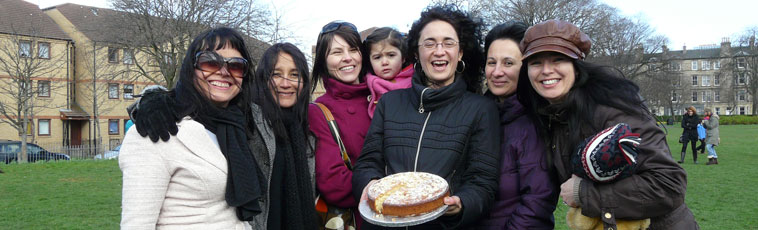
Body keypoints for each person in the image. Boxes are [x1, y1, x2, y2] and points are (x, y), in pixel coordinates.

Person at [516, 20, 698, 229]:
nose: (546, 70)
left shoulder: (611, 107)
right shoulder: (555, 115)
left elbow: (668, 185)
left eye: (558, 59)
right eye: (536, 62)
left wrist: (583, 194)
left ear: (576, 66)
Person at [123, 40, 318, 228]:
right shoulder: (246, 116)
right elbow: (194, 100)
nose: (286, 83)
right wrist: (153, 98)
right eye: (276, 74)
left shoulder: (308, 129)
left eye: (294, 74)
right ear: (262, 78)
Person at [352, 4, 500, 229]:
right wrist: (370, 185)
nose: (439, 51)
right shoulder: (389, 103)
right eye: (429, 43)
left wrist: (462, 204)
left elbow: (483, 182)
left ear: (460, 52)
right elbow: (367, 163)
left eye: (448, 43)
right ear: (417, 53)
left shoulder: (481, 109)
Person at [120, 27, 259, 229]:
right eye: (210, 62)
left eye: (236, 65)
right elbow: (137, 224)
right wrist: (150, 99)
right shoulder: (156, 127)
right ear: (190, 68)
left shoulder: (236, 125)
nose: (224, 72)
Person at [476, 21, 558, 229]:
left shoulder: (534, 123)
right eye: (491, 62)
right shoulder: (479, 113)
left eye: (509, 63)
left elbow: (537, 201)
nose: (497, 72)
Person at [308, 20, 371, 229]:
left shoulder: (383, 97)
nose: (347, 57)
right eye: (336, 52)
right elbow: (333, 182)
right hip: (362, 219)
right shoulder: (319, 111)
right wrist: (388, 191)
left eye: (353, 49)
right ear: (323, 61)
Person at [363, 27, 414, 118]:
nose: (384, 62)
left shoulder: (416, 82)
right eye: (377, 57)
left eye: (391, 55)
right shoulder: (365, 87)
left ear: (403, 58)